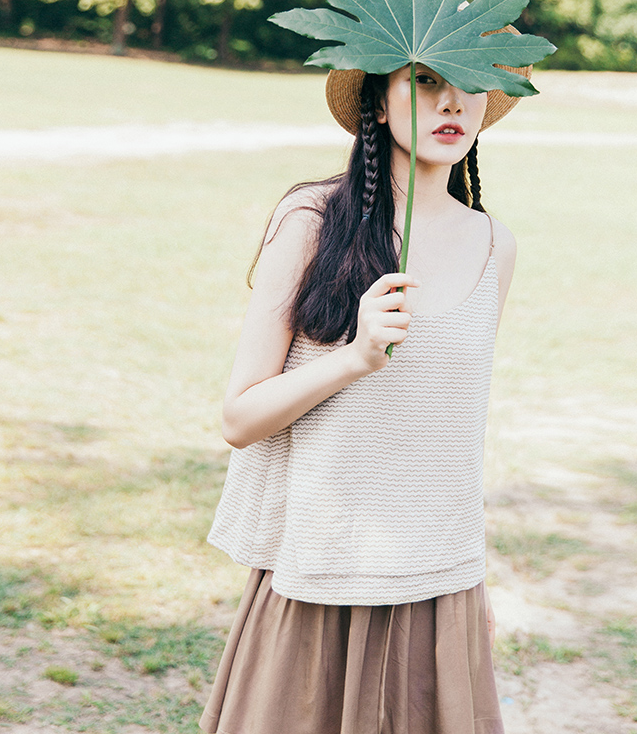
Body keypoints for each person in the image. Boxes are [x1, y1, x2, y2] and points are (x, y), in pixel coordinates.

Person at [199, 61, 527, 734]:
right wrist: (355, 358)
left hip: (438, 585)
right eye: (427, 82)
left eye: (468, 83)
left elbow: (458, 436)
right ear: (377, 103)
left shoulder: (496, 245)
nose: (452, 102)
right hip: (321, 571)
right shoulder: (313, 220)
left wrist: (473, 574)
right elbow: (239, 417)